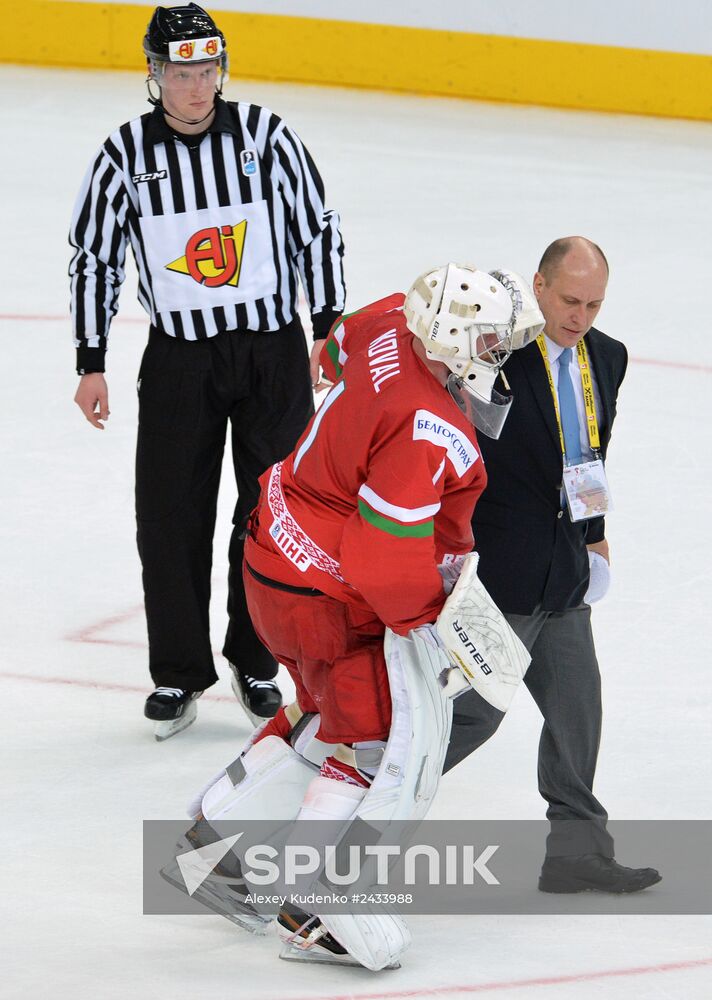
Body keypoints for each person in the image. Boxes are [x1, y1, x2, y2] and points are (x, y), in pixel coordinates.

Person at [171, 264, 544, 969]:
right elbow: (381, 559)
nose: (500, 351)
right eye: (490, 338)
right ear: (455, 334)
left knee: (321, 717)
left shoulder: (391, 326)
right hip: (330, 603)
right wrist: (433, 621)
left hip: (272, 557)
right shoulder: (427, 427)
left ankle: (218, 847)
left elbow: (334, 344)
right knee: (377, 746)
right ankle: (315, 909)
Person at [69, 4, 346, 739]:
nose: (198, 86)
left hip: (271, 355)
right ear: (155, 75)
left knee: (271, 512)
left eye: (208, 70)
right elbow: (94, 257)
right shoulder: (124, 153)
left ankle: (257, 658)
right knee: (169, 516)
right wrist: (90, 359)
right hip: (180, 361)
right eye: (182, 72)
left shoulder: (266, 137)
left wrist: (326, 326)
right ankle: (178, 672)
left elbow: (317, 225)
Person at [444, 237, 661, 893]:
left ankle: (576, 850)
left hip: (564, 571)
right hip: (499, 571)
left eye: (593, 303)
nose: (580, 316)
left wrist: (593, 533)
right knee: (471, 719)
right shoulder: (496, 353)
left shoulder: (608, 357)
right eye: (569, 300)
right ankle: (349, 812)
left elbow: (590, 451)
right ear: (537, 286)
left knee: (577, 710)